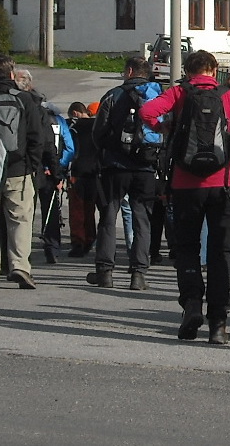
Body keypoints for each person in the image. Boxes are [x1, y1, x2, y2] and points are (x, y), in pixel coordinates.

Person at [141, 50, 230, 345]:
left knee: (186, 248)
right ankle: (218, 322)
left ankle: (192, 305)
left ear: (187, 70)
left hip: (185, 183)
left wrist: (165, 128)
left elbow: (146, 113)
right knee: (221, 251)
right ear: (213, 69)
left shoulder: (179, 93)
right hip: (225, 182)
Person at [0, 54, 48, 289]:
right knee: (20, 220)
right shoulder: (25, 100)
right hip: (18, 169)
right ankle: (20, 267)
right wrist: (32, 166)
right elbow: (37, 137)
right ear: (12, 74)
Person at [92, 55, 164, 290]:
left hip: (116, 166)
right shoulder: (157, 97)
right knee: (142, 218)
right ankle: (138, 274)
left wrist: (107, 151)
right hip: (145, 166)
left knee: (108, 217)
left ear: (130, 71)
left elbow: (98, 131)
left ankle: (105, 271)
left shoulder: (113, 95)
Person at [17, 69, 73, 266]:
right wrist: (58, 170)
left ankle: (22, 251)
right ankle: (52, 248)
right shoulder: (54, 118)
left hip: (25, 169)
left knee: (25, 212)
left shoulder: (18, 109)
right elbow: (66, 146)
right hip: (49, 170)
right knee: (50, 211)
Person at [66, 102, 99, 257]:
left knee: (77, 210)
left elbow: (69, 149)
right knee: (90, 208)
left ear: (76, 113)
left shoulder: (73, 127)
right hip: (95, 171)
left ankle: (79, 242)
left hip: (77, 171)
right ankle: (91, 237)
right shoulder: (98, 126)